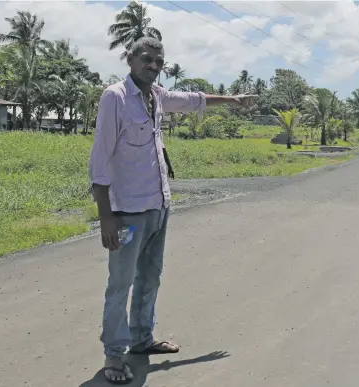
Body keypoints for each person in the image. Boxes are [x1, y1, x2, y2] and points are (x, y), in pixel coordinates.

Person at [88, 37, 255, 384]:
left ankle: (142, 338)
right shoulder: (115, 98)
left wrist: (233, 100)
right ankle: (114, 356)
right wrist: (105, 216)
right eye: (146, 59)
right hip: (127, 214)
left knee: (150, 278)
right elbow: (99, 161)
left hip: (159, 207)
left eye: (158, 60)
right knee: (120, 284)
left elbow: (194, 100)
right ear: (130, 59)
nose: (152, 65)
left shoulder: (157, 96)